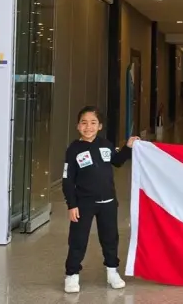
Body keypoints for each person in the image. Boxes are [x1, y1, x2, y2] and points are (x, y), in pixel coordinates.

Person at [63, 106, 140, 294]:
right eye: (84, 123)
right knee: (78, 239)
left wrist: (128, 147)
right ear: (77, 126)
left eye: (93, 123)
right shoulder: (73, 149)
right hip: (83, 203)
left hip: (108, 202)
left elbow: (117, 161)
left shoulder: (106, 144)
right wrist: (72, 204)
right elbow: (67, 180)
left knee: (110, 238)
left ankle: (112, 271)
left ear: (100, 126)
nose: (88, 127)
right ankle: (72, 274)